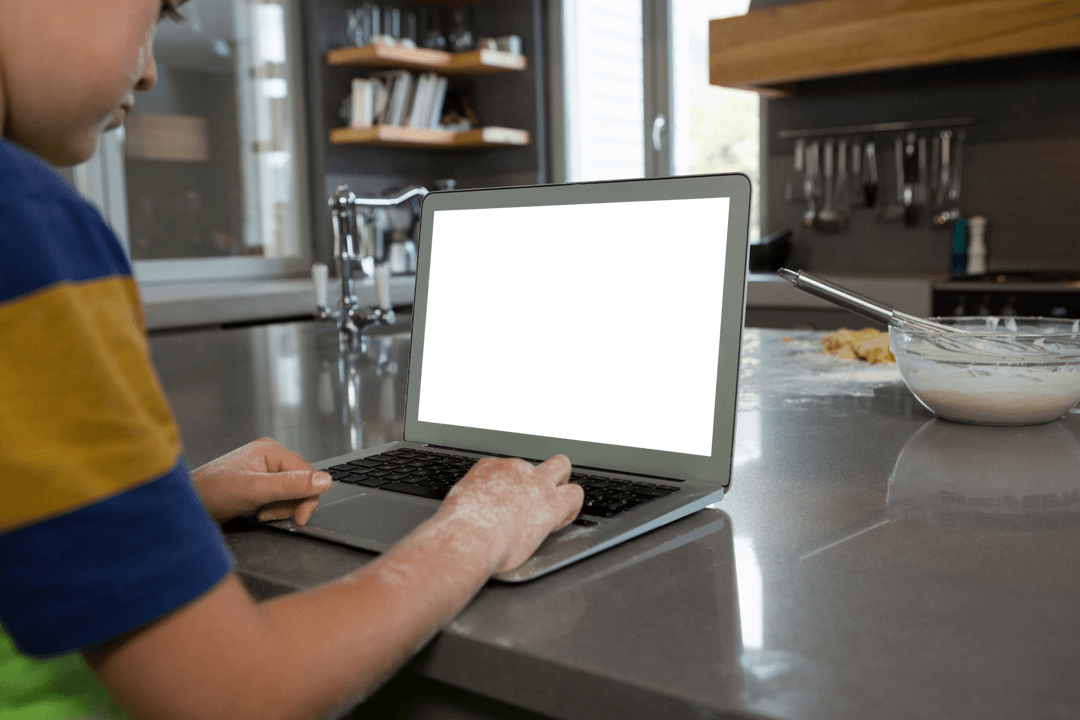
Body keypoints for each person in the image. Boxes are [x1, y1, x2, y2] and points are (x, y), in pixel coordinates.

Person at [0, 1, 585, 718]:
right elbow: (234, 695)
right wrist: (477, 529)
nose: (151, 69)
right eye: (155, 11)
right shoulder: (24, 228)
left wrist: (170, 507)